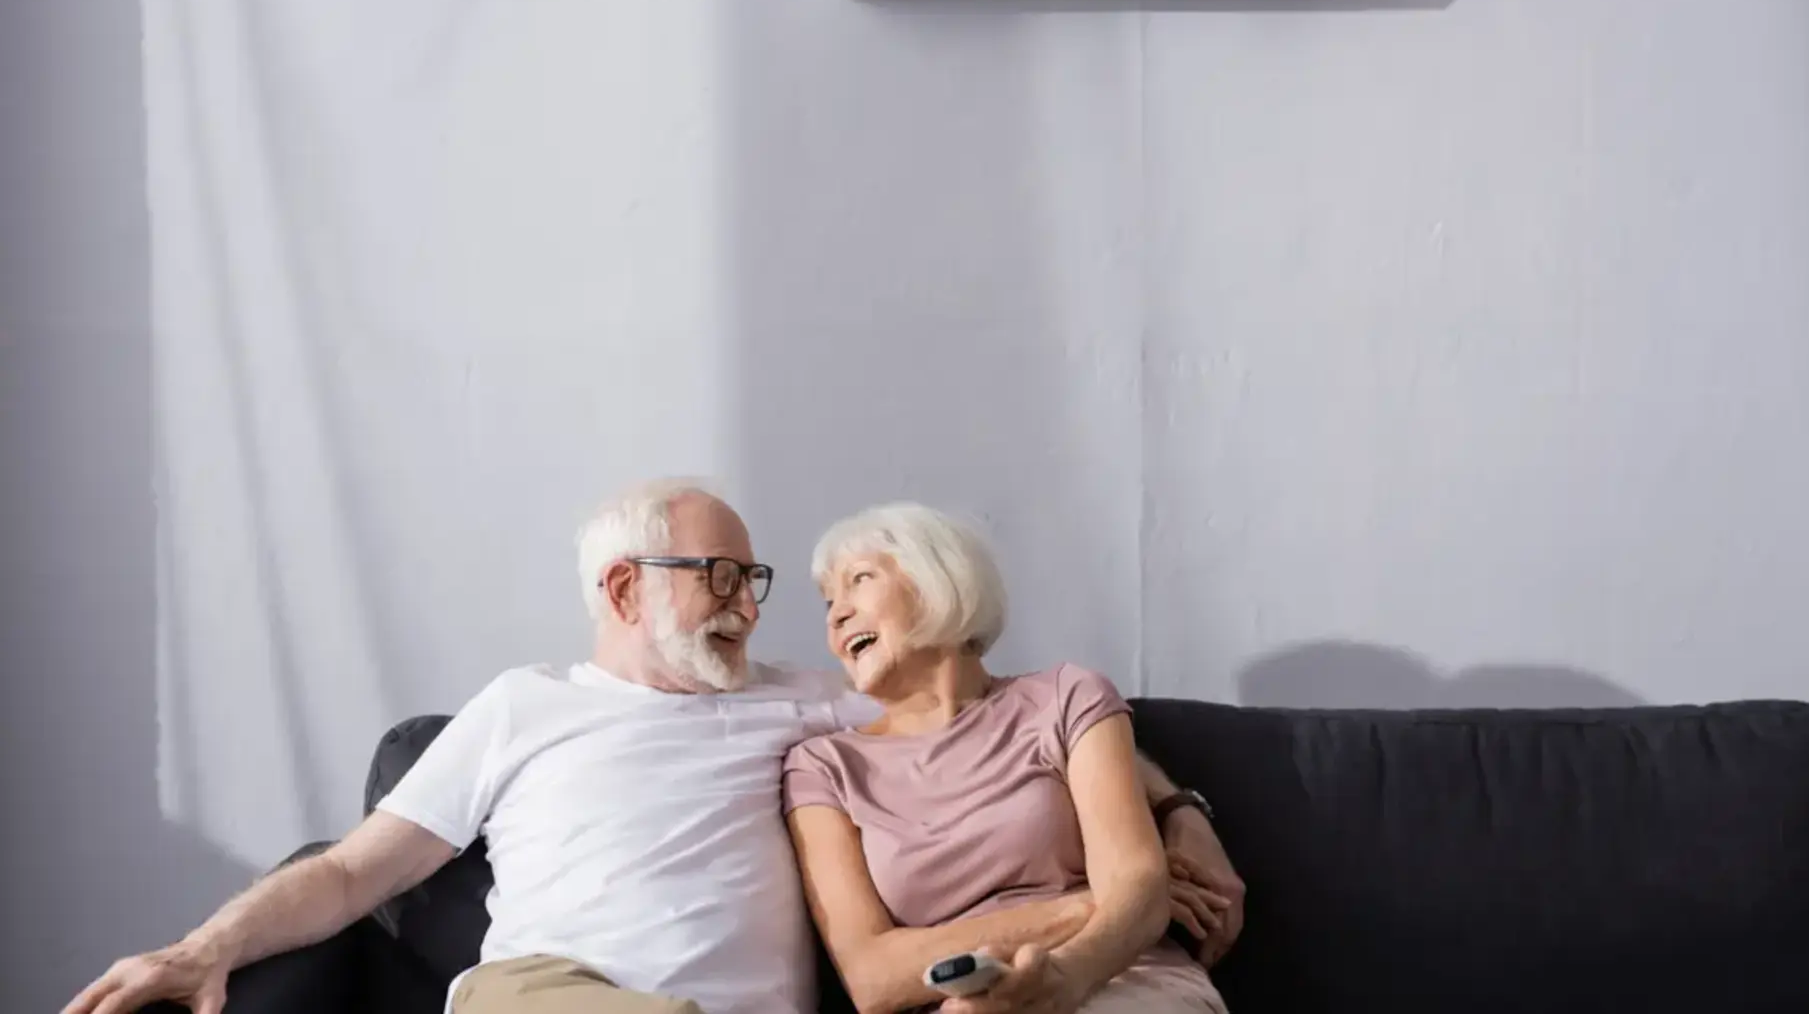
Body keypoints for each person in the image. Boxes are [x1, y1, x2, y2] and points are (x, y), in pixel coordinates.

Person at [64, 481, 1241, 1014]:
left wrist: (1177, 805)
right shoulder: (521, 708)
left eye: (754, 579)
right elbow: (349, 871)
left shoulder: (806, 710)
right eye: (721, 577)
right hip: (548, 1000)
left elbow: (984, 715)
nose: (753, 603)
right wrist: (198, 948)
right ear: (626, 585)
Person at [784, 503, 1237, 1014]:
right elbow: (873, 979)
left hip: (1120, 979)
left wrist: (1068, 976)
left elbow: (1133, 884)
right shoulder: (823, 767)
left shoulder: (1066, 697)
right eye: (828, 602)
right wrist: (1083, 907)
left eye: (859, 580)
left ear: (938, 578)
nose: (836, 614)